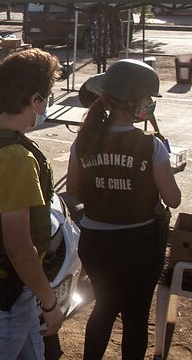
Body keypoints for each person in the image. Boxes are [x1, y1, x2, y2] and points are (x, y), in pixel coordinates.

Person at [66, 59, 181, 360]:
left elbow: (73, 191)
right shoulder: (151, 146)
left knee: (104, 308)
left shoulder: (83, 142)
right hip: (140, 247)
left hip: (96, 243)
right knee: (136, 317)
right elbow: (173, 198)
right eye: (147, 100)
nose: (150, 105)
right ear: (133, 103)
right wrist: (168, 168)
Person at [0, 48, 65, 358]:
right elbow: (19, 247)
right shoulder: (15, 159)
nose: (47, 104)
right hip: (2, 289)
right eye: (47, 96)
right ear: (35, 100)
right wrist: (50, 303)